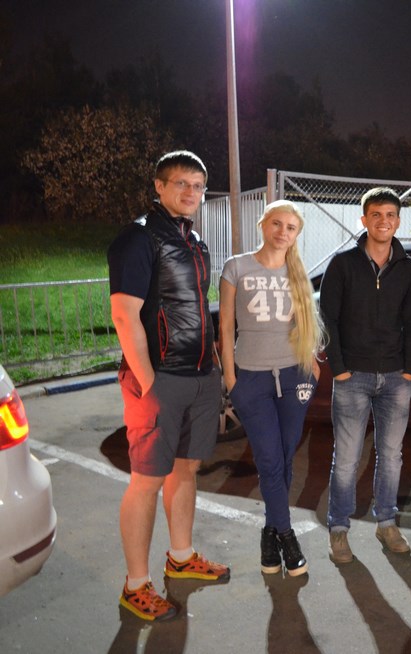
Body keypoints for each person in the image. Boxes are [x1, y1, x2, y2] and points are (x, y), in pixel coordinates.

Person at [108, 150, 229, 622]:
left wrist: (213, 368)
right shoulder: (138, 238)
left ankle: (181, 556)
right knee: (147, 481)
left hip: (198, 375)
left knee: (186, 470)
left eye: (198, 186)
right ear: (158, 186)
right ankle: (135, 585)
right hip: (160, 378)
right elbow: (125, 315)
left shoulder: (194, 241)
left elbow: (195, 307)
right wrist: (148, 382)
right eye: (181, 183)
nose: (190, 192)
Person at [219, 200, 324, 577]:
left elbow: (305, 325)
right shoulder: (236, 267)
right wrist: (231, 379)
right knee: (268, 460)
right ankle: (287, 536)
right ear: (263, 225)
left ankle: (269, 535)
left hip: (295, 377)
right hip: (252, 378)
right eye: (277, 224)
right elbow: (225, 327)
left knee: (282, 458)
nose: (283, 232)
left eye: (291, 227)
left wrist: (311, 368)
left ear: (296, 235)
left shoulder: (298, 273)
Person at [318, 187, 411, 563]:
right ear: (364, 220)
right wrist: (339, 368)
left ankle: (386, 522)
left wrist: (409, 370)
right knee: (347, 457)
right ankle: (339, 528)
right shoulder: (342, 264)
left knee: (391, 456)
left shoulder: (408, 268)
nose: (383, 221)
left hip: (395, 378)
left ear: (399, 221)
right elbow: (327, 318)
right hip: (353, 377)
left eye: (390, 215)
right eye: (376, 214)